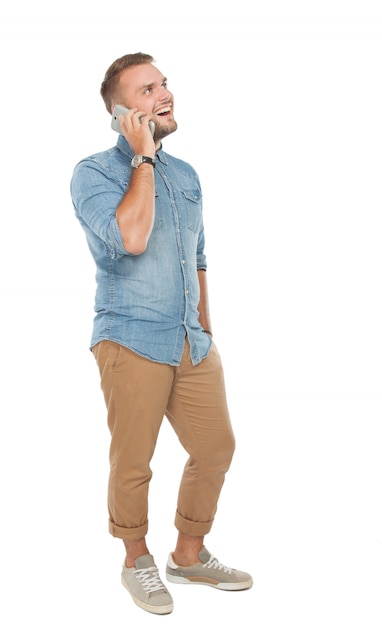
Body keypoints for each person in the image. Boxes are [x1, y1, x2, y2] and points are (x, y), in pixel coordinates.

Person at [70, 52, 252, 616]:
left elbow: (198, 255)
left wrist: (205, 327)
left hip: (189, 340)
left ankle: (188, 553)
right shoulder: (94, 173)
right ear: (123, 111)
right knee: (134, 461)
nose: (165, 93)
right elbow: (130, 237)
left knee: (216, 448)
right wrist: (143, 159)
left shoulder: (188, 174)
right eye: (148, 90)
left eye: (165, 83)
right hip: (129, 336)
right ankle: (135, 561)